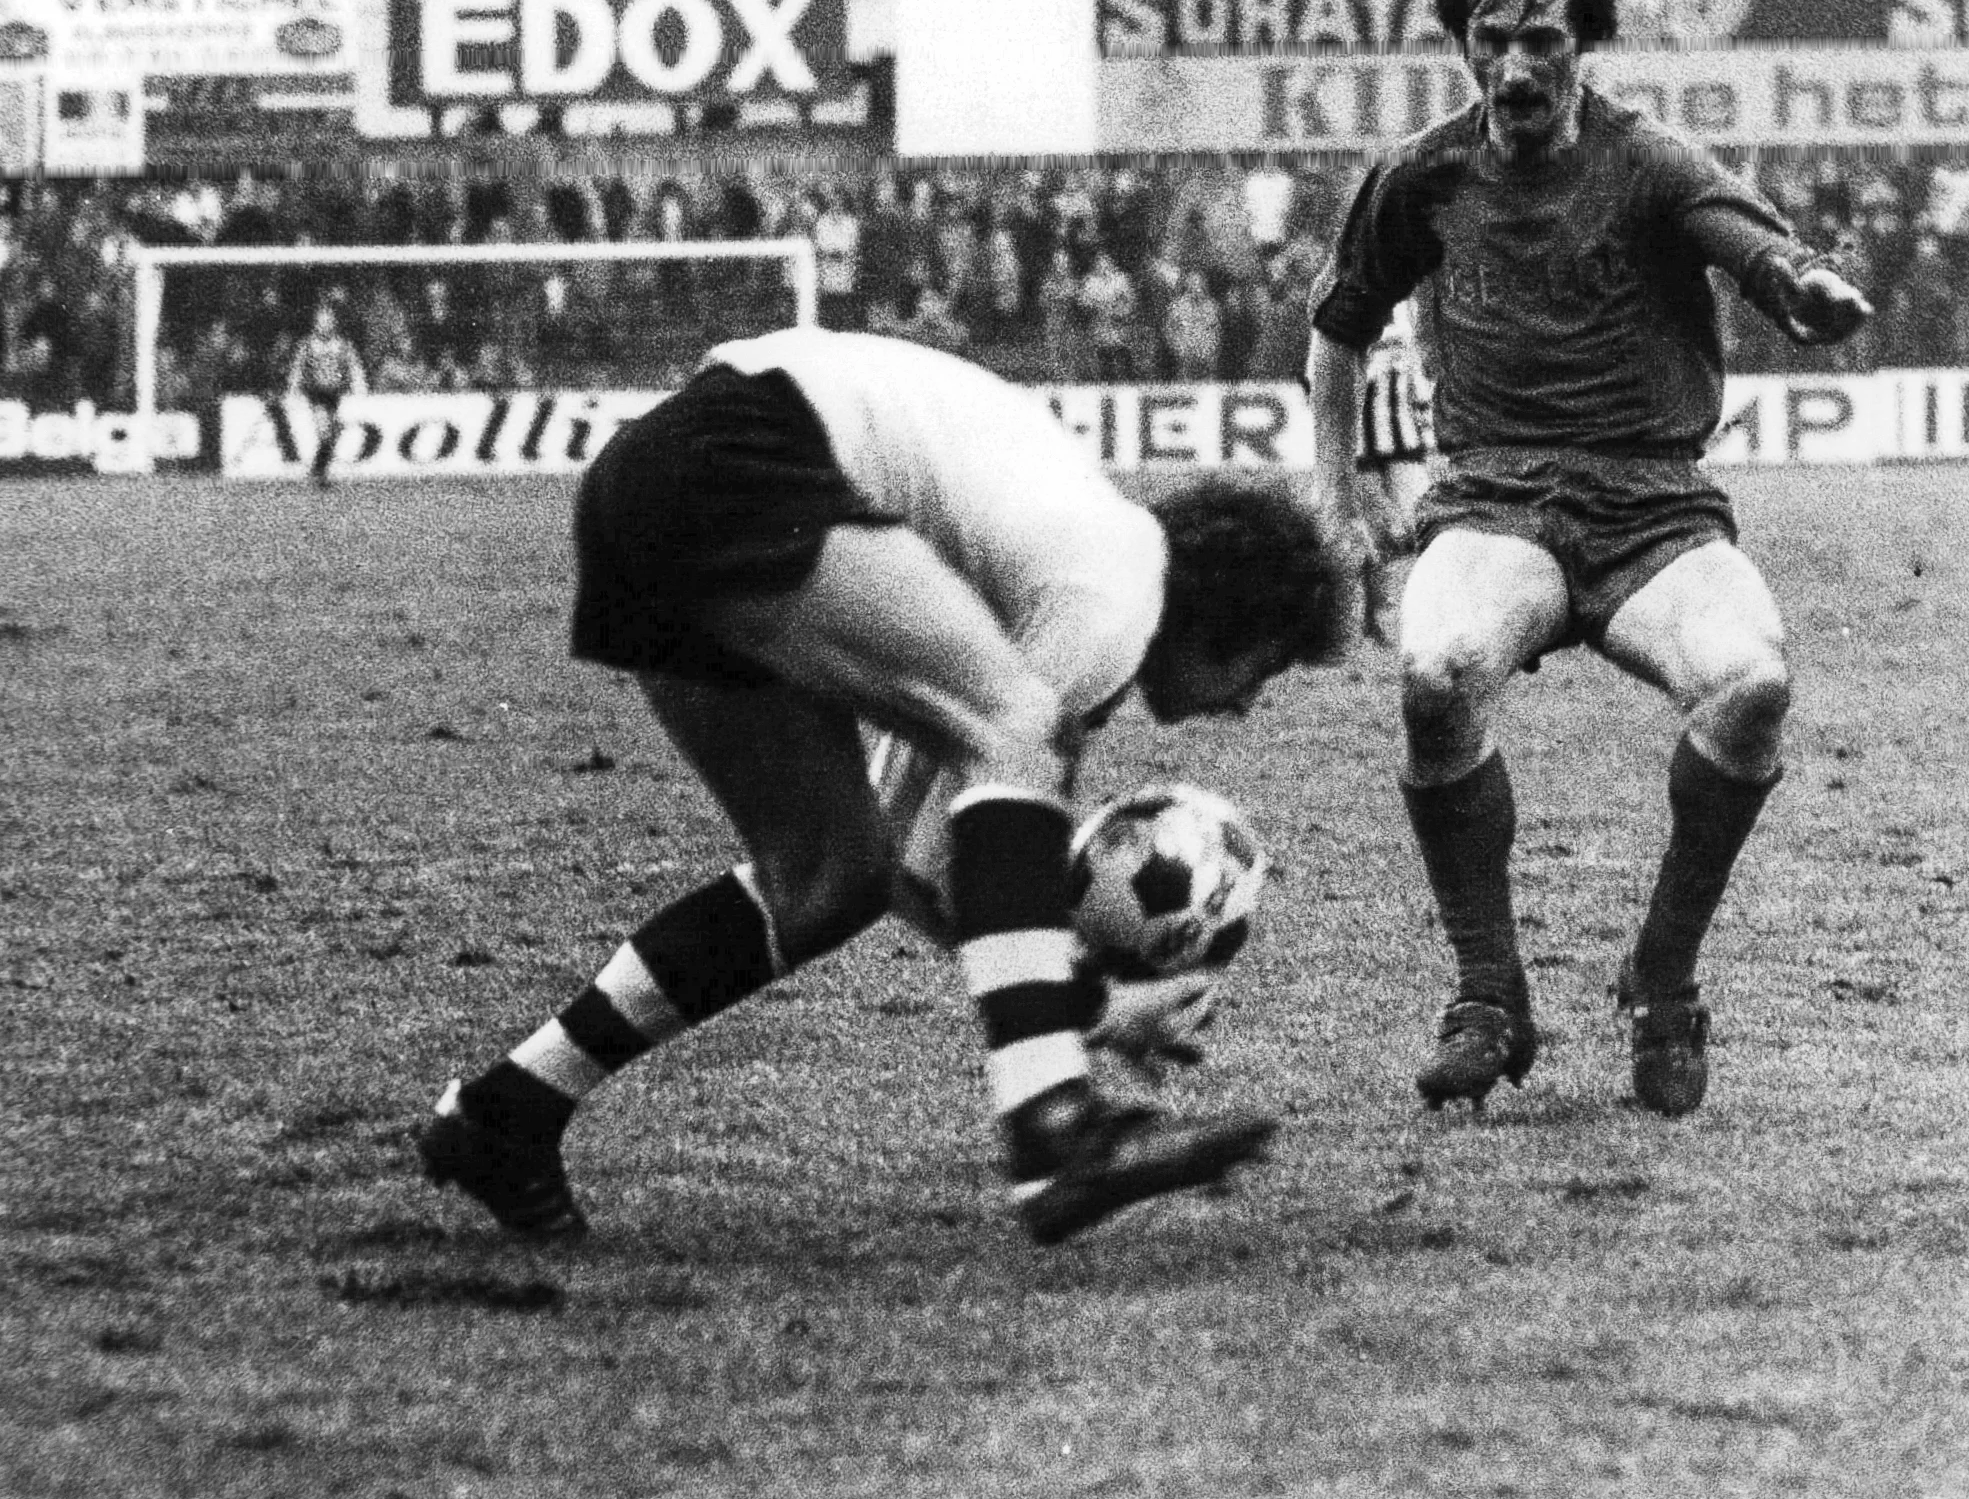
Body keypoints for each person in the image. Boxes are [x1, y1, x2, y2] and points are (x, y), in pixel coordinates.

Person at [417, 325, 1352, 1246]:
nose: (1240, 708)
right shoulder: (1114, 587)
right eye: (1260, 674)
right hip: (742, 463)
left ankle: (508, 1111)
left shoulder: (1046, 560)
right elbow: (1004, 773)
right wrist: (1079, 1012)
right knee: (1020, 736)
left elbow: (915, 865)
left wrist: (1087, 1005)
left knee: (832, 877)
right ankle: (1053, 1128)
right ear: (1234, 619)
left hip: (654, 479)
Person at [1306, 0, 1872, 1119]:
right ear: (1462, 44)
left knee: (1754, 680)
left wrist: (1805, 289)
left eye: (1543, 40)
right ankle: (1488, 994)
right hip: (1496, 501)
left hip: (1652, 509)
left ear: (1584, 44)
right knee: (1439, 669)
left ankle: (1661, 982)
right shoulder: (1420, 178)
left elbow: (1760, 253)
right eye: (1491, 40)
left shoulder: (1652, 161)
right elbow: (1338, 333)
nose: (1516, 67)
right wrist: (1341, 504)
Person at [1353, 301, 1434, 646]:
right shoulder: (1348, 307)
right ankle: (1374, 617)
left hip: (1405, 441)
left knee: (1424, 525)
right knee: (1379, 535)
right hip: (1362, 445)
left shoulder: (1409, 306)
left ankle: (1428, 614)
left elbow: (1419, 375)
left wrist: (1429, 437)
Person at [284, 297, 367, 486]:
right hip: (316, 392)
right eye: (321, 321)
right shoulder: (307, 344)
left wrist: (360, 385)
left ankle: (317, 470)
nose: (325, 324)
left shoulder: (343, 344)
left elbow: (354, 366)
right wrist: (293, 389)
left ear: (334, 323)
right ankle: (319, 472)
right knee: (324, 431)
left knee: (332, 433)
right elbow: (297, 368)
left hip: (335, 393)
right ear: (316, 323)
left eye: (328, 320)